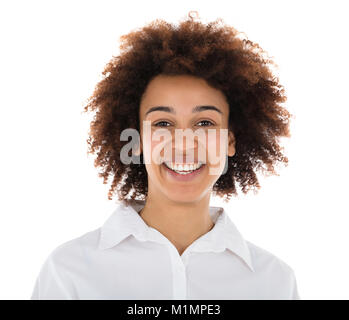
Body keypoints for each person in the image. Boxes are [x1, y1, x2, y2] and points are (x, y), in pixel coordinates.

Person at [31, 11, 300, 300]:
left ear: (230, 140)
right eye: (162, 123)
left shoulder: (274, 283)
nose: (183, 145)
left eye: (205, 123)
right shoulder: (69, 272)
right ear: (137, 140)